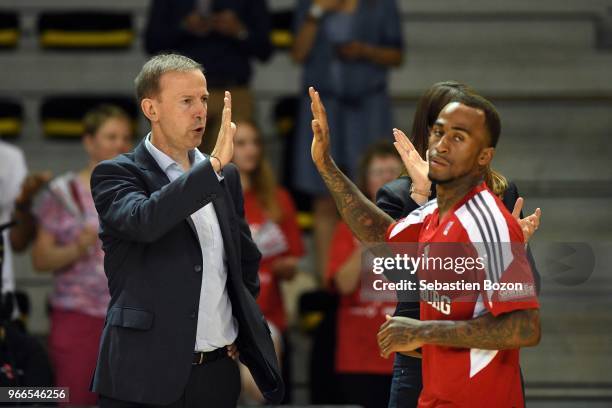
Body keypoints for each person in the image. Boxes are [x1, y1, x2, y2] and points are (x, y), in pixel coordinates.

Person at [308, 86, 542, 407]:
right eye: (438, 132)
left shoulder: (489, 223)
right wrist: (327, 166)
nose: (442, 145)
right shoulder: (433, 212)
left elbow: (524, 327)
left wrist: (424, 332)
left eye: (458, 137)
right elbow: (378, 233)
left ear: (484, 156)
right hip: (435, 393)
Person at [90, 54, 283, 407]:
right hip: (141, 374)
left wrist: (241, 320)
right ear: (152, 108)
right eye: (186, 101)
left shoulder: (226, 176)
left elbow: (244, 260)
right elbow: (144, 221)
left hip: (216, 373)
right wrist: (209, 170)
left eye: (204, 99)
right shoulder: (116, 174)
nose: (200, 111)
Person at [291, 0, 404, 279]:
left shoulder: (381, 5)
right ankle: (328, 283)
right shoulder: (310, 5)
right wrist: (318, 11)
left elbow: (396, 55)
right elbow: (298, 53)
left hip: (368, 107)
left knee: (376, 193)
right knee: (324, 197)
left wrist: (365, 51)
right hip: (326, 106)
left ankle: (386, 283)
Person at [30, 105, 133, 405]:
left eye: (126, 137)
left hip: (130, 315)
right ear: (89, 141)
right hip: (80, 314)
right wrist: (78, 246)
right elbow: (40, 259)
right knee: (77, 397)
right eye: (111, 136)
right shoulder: (64, 193)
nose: (120, 145)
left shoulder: (139, 189)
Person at [231, 120, 304, 404]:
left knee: (260, 388)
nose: (251, 150)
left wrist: (282, 266)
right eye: (242, 143)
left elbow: (292, 263)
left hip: (266, 310)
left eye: (255, 143)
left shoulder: (279, 199)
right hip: (224, 311)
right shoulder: (213, 195)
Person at [326, 142, 401, 408]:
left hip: (410, 353)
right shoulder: (348, 227)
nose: (386, 178)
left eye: (393, 171)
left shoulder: (422, 224)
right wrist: (367, 241)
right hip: (360, 355)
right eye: (378, 172)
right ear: (365, 181)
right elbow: (343, 285)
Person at [144, 0, 273, 154]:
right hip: (184, 93)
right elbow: (151, 42)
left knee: (233, 163)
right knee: (180, 164)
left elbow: (265, 50)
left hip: (234, 93)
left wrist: (238, 30)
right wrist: (183, 27)